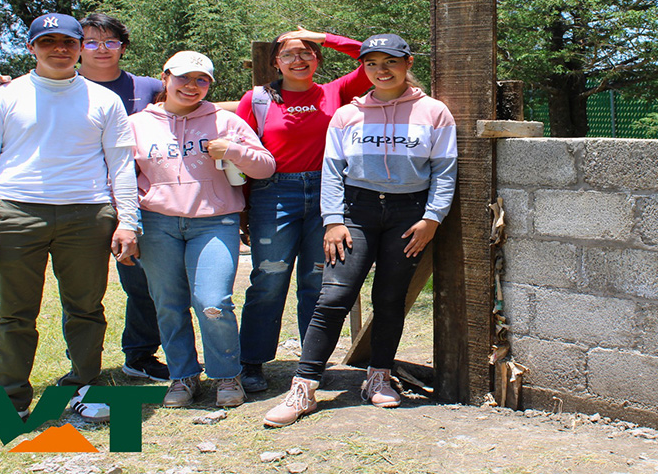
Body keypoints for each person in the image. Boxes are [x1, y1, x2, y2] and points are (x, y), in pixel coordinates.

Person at [263, 33, 457, 428]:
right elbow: (332, 171)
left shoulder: (435, 112)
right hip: (357, 211)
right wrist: (333, 219)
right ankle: (304, 386)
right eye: (372, 63)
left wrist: (432, 219)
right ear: (363, 68)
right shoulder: (348, 115)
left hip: (410, 216)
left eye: (390, 62)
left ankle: (378, 378)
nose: (381, 71)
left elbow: (444, 170)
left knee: (389, 297)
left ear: (408, 63)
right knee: (333, 296)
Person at [0, 13, 139, 432]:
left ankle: (84, 388)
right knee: (14, 313)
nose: (59, 50)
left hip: (88, 213)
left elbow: (121, 166)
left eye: (68, 42)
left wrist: (127, 221)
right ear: (31, 48)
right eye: (48, 42)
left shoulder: (103, 100)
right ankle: (10, 402)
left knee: (85, 308)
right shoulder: (2, 98)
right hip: (15, 212)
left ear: (80, 47)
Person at [130, 50, 276, 408]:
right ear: (164, 78)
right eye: (183, 78)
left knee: (212, 301)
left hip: (214, 221)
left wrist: (234, 151)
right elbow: (120, 174)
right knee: (168, 303)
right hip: (156, 221)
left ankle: (227, 374)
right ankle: (182, 376)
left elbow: (266, 167)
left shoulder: (225, 122)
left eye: (202, 80)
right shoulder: (137, 124)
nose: (191, 86)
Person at [234, 28, 368, 394]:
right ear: (275, 62)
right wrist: (244, 207)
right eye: (290, 54)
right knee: (269, 280)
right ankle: (252, 363)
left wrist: (320, 35)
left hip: (327, 194)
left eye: (307, 52)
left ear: (318, 59)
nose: (299, 59)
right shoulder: (257, 100)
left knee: (316, 282)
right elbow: (246, 154)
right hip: (273, 194)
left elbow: (367, 53)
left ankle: (311, 366)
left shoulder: (333, 93)